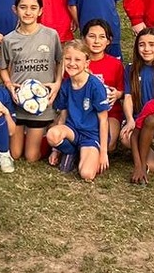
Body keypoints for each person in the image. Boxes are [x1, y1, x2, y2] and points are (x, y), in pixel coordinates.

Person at [1, 0, 63, 163]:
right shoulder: (9, 39)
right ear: (15, 10)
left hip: (42, 104)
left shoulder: (51, 35)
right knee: (14, 154)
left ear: (40, 11)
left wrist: (57, 83)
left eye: (33, 8)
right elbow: (3, 67)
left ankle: (52, 135)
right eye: (23, 7)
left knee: (31, 157)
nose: (28, 12)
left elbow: (60, 61)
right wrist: (8, 84)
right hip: (19, 102)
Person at [45, 41, 111, 181]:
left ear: (87, 62)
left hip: (90, 135)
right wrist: (55, 150)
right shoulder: (66, 85)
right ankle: (70, 151)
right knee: (52, 134)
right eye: (68, 59)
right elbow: (63, 117)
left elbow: (104, 120)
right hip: (72, 131)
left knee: (87, 174)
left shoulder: (95, 86)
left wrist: (103, 153)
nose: (72, 63)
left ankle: (86, 153)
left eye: (77, 59)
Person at [82, 19, 128, 149]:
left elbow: (124, 91)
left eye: (102, 37)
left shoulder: (115, 64)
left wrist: (118, 94)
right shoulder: (78, 62)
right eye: (92, 36)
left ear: (108, 41)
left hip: (110, 113)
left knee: (108, 144)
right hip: (82, 111)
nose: (96, 41)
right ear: (84, 38)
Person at [123, 27, 154, 121]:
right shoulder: (130, 69)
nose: (146, 49)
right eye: (142, 45)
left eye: (152, 44)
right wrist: (130, 120)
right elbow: (128, 97)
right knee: (126, 135)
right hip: (136, 119)